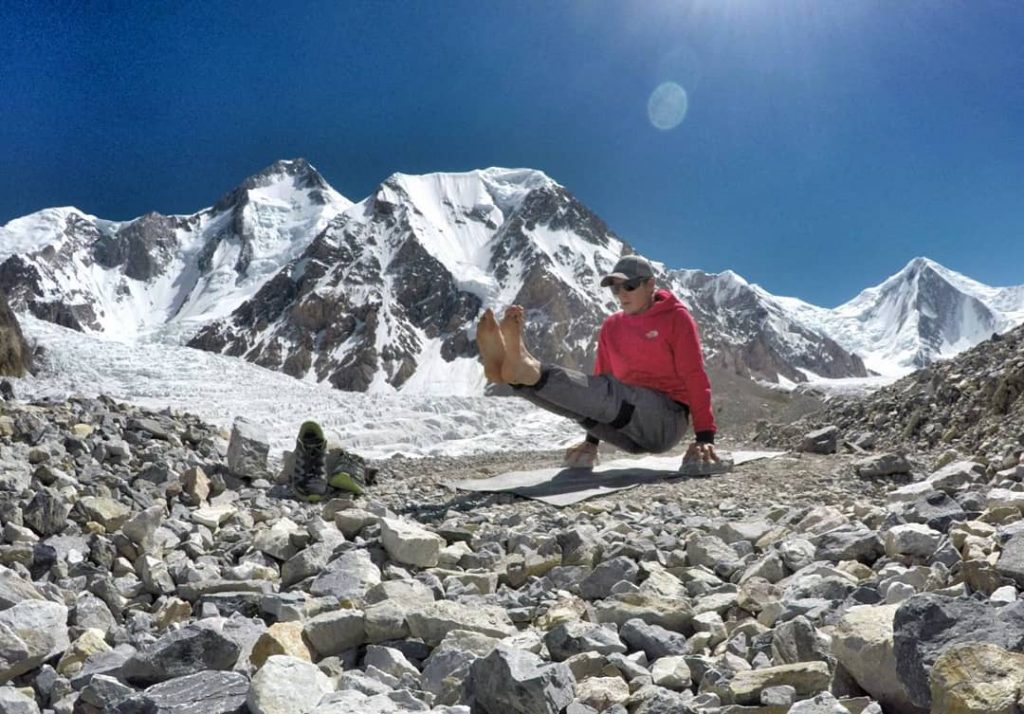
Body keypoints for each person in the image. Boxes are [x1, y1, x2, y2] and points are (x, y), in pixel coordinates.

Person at [476, 254, 720, 470]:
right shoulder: (612, 326)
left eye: (630, 286)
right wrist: (591, 442)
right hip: (627, 429)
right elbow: (598, 384)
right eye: (615, 289)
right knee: (579, 409)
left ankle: (529, 367)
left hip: (665, 421)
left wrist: (705, 437)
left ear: (651, 285)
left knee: (613, 392)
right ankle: (516, 380)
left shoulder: (676, 317)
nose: (621, 294)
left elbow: (695, 376)